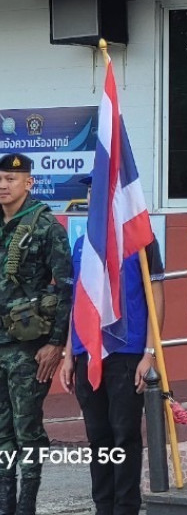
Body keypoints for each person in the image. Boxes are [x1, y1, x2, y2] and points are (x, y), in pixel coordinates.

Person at [59, 175, 165, 515]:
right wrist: (68, 353)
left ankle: (126, 507)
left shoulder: (142, 241)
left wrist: (150, 353)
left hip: (127, 353)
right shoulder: (82, 244)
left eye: (102, 191)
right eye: (91, 193)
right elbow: (77, 301)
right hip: (87, 354)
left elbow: (156, 298)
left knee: (124, 435)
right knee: (98, 437)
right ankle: (103, 506)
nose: (95, 198)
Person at [0, 153, 73, 515]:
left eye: (11, 179)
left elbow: (66, 287)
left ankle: (26, 504)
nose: (3, 185)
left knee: (26, 429)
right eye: (0, 179)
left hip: (28, 347)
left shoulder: (45, 227)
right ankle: (5, 503)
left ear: (28, 183)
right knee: (1, 432)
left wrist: (56, 343)